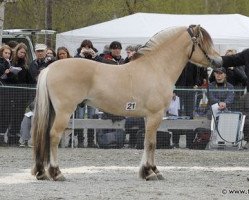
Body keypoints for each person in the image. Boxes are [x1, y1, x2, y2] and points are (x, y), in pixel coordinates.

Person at [74, 40, 99, 148]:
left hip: (93, 91)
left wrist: (94, 56)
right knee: (79, 116)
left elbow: (101, 66)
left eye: (89, 47)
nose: (87, 49)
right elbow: (74, 65)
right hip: (80, 91)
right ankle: (80, 140)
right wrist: (81, 55)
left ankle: (90, 140)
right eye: (85, 47)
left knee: (92, 116)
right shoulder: (77, 56)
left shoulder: (95, 57)